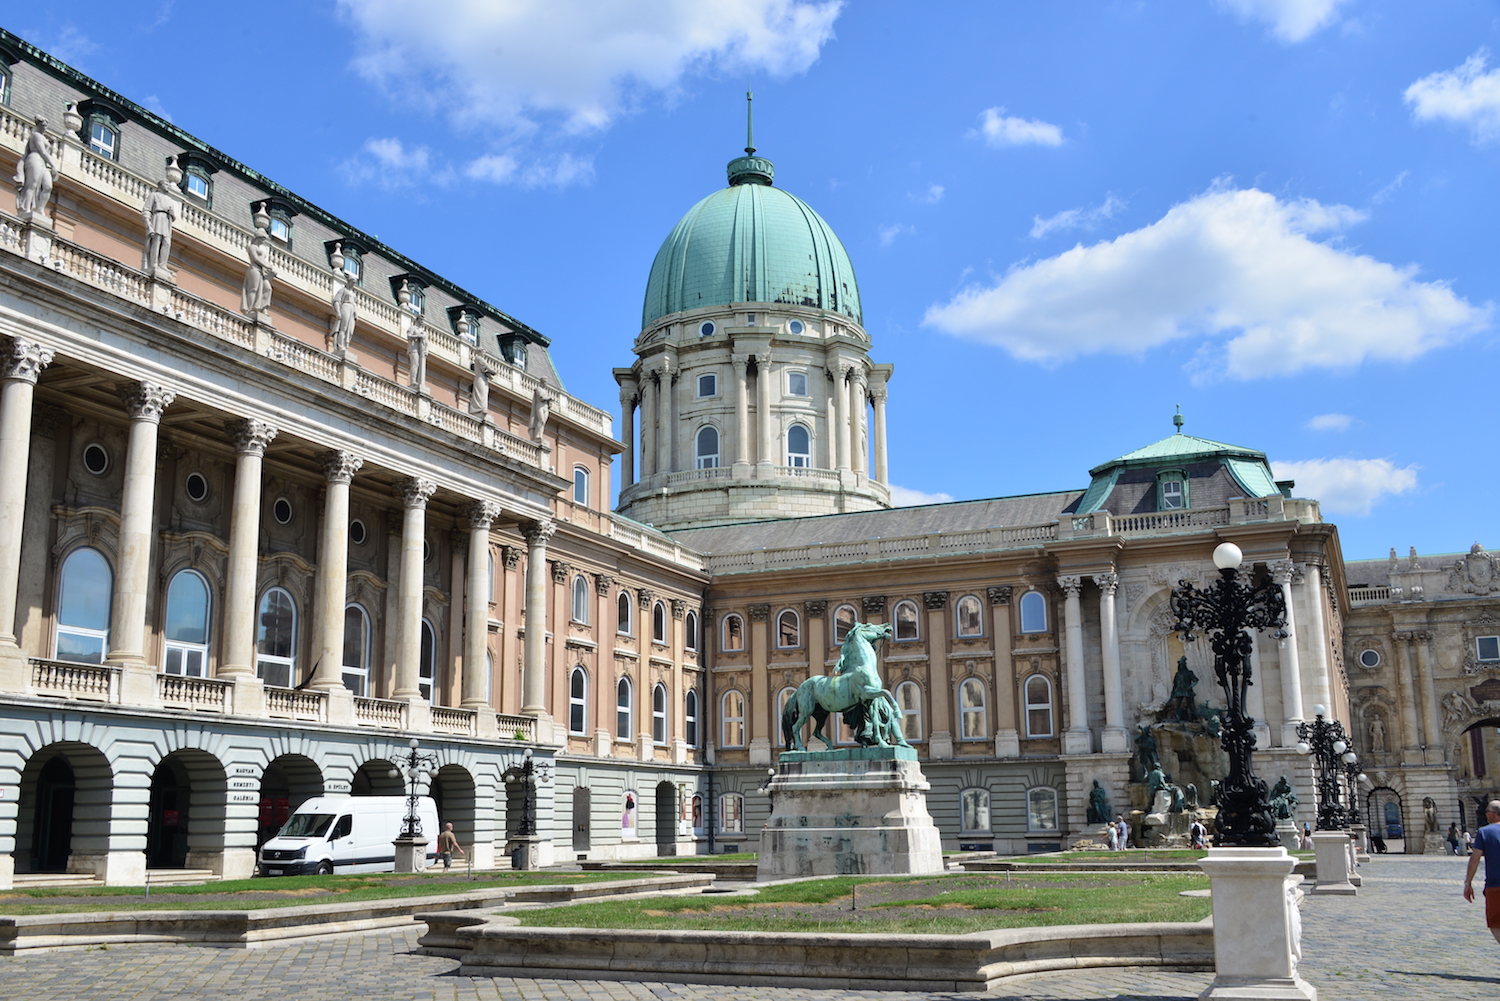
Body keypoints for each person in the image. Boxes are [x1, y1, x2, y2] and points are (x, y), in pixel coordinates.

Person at [1463, 800, 1500, 945]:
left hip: (1495, 886)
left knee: (1495, 923)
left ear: (1491, 814)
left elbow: (1474, 860)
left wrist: (1468, 883)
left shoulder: (1484, 832)